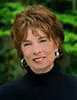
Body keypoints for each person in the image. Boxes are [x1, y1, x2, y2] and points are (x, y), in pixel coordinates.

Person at [0, 4, 77, 100]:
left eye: (42, 41)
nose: (36, 50)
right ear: (21, 50)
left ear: (56, 43)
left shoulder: (74, 89)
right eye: (27, 44)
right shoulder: (5, 94)